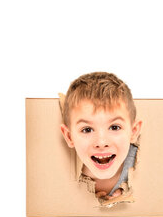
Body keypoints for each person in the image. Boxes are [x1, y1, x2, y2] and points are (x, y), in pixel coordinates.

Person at [60, 72, 142, 200]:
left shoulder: (139, 163)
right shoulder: (63, 173)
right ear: (69, 136)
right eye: (87, 130)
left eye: (114, 127)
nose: (102, 142)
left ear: (134, 131)